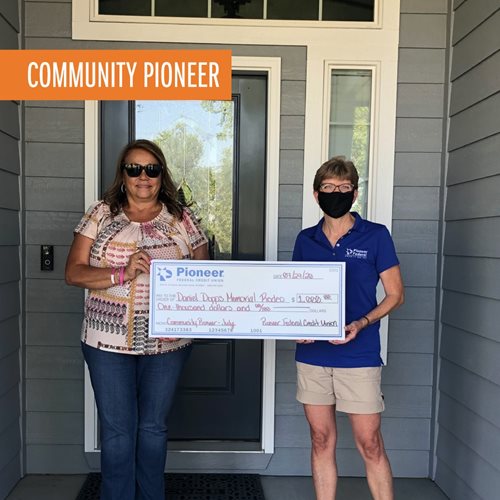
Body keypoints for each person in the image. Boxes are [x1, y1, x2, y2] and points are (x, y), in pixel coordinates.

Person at [65, 139, 209, 500]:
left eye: (151, 169)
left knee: (153, 429)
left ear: (162, 175)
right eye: (134, 169)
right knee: (117, 433)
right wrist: (120, 274)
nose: (143, 177)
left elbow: (208, 276)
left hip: (168, 342)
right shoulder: (100, 213)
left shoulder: (182, 218)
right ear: (123, 174)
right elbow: (74, 273)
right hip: (106, 341)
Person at [292, 157, 404, 500]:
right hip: (313, 354)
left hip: (359, 353)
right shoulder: (305, 239)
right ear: (316, 194)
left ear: (354, 194)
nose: (335, 194)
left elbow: (395, 295)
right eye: (328, 188)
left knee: (369, 443)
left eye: (343, 188)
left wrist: (362, 322)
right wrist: (297, 324)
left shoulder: (376, 236)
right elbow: (296, 292)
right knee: (321, 439)